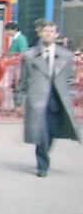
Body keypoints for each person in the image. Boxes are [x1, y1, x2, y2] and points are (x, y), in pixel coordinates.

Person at [19, 19, 80, 176]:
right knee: (42, 133)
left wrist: (70, 96)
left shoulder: (66, 56)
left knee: (52, 132)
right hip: (37, 100)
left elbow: (70, 79)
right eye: (45, 31)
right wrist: (19, 100)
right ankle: (43, 165)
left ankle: (43, 151)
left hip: (57, 99)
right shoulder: (30, 55)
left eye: (51, 31)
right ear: (40, 33)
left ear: (57, 35)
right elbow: (23, 80)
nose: (48, 34)